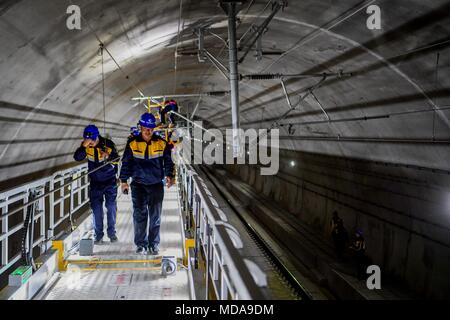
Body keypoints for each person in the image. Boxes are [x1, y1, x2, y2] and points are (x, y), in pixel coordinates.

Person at [119, 113, 175, 255]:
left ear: (153, 128)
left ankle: (154, 244)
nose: (148, 131)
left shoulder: (161, 143)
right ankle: (141, 244)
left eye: (150, 128)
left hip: (156, 185)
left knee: (155, 217)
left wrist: (170, 175)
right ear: (141, 127)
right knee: (140, 215)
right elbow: (126, 163)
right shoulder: (132, 143)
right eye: (145, 128)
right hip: (138, 185)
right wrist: (123, 181)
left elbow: (168, 161)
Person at [74, 125, 119, 244]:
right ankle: (98, 235)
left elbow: (117, 159)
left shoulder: (108, 144)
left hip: (110, 181)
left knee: (110, 206)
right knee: (97, 209)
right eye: (88, 141)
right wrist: (83, 146)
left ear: (97, 137)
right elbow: (77, 158)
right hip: (95, 182)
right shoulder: (85, 146)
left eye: (92, 140)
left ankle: (112, 233)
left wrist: (108, 156)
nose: (90, 143)